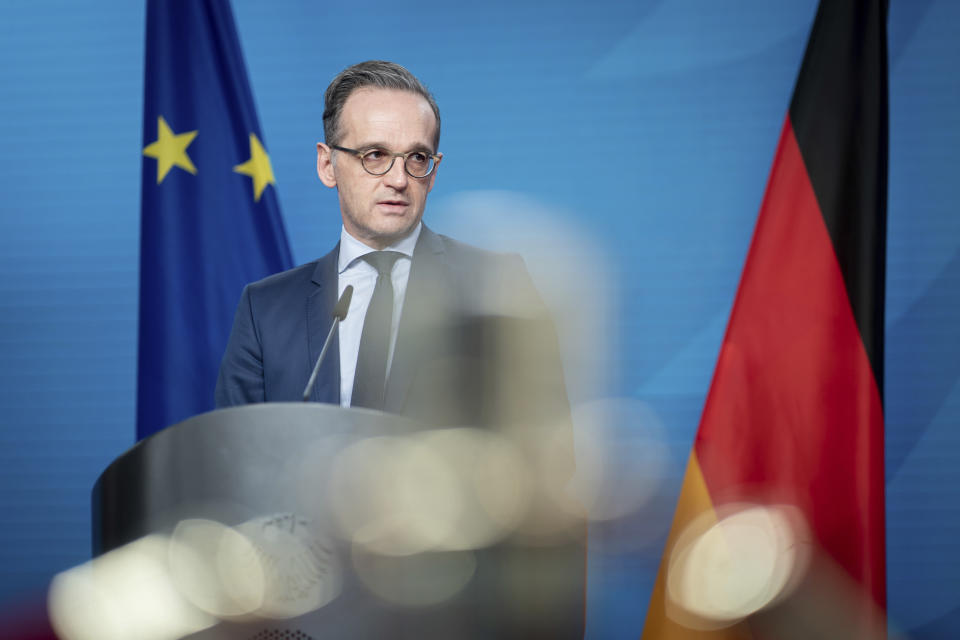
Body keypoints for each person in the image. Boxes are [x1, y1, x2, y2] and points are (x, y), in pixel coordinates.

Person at [215, 60, 583, 638]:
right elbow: (229, 478)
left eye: (417, 158)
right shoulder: (269, 308)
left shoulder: (494, 287)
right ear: (326, 164)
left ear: (433, 172)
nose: (397, 178)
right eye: (373, 155)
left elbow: (551, 481)